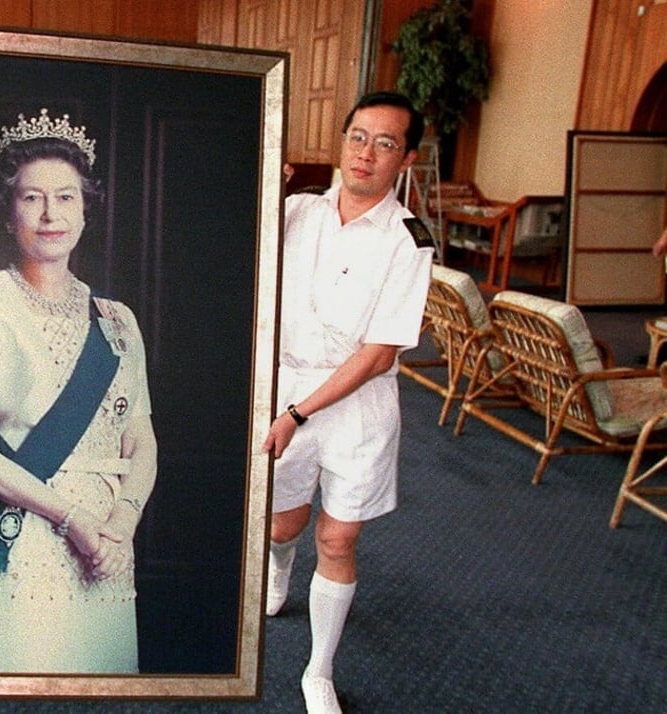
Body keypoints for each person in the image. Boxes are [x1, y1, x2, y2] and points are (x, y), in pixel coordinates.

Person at [0, 109, 157, 673]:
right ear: (9, 213)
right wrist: (70, 517)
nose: (50, 214)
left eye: (66, 198)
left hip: (105, 540)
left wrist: (120, 524)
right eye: (31, 199)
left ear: (85, 210)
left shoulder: (118, 319)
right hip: (22, 534)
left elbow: (142, 440)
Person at [262, 91, 433, 714]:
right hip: (285, 386)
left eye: (386, 143)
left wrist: (299, 413)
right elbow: (223, 241)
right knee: (284, 523)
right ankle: (280, 572)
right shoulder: (294, 211)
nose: (367, 154)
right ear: (342, 142)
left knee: (338, 540)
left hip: (355, 403)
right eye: (358, 137)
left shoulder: (408, 239)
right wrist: (257, 183)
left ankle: (318, 671)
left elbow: (380, 353)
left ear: (405, 159)